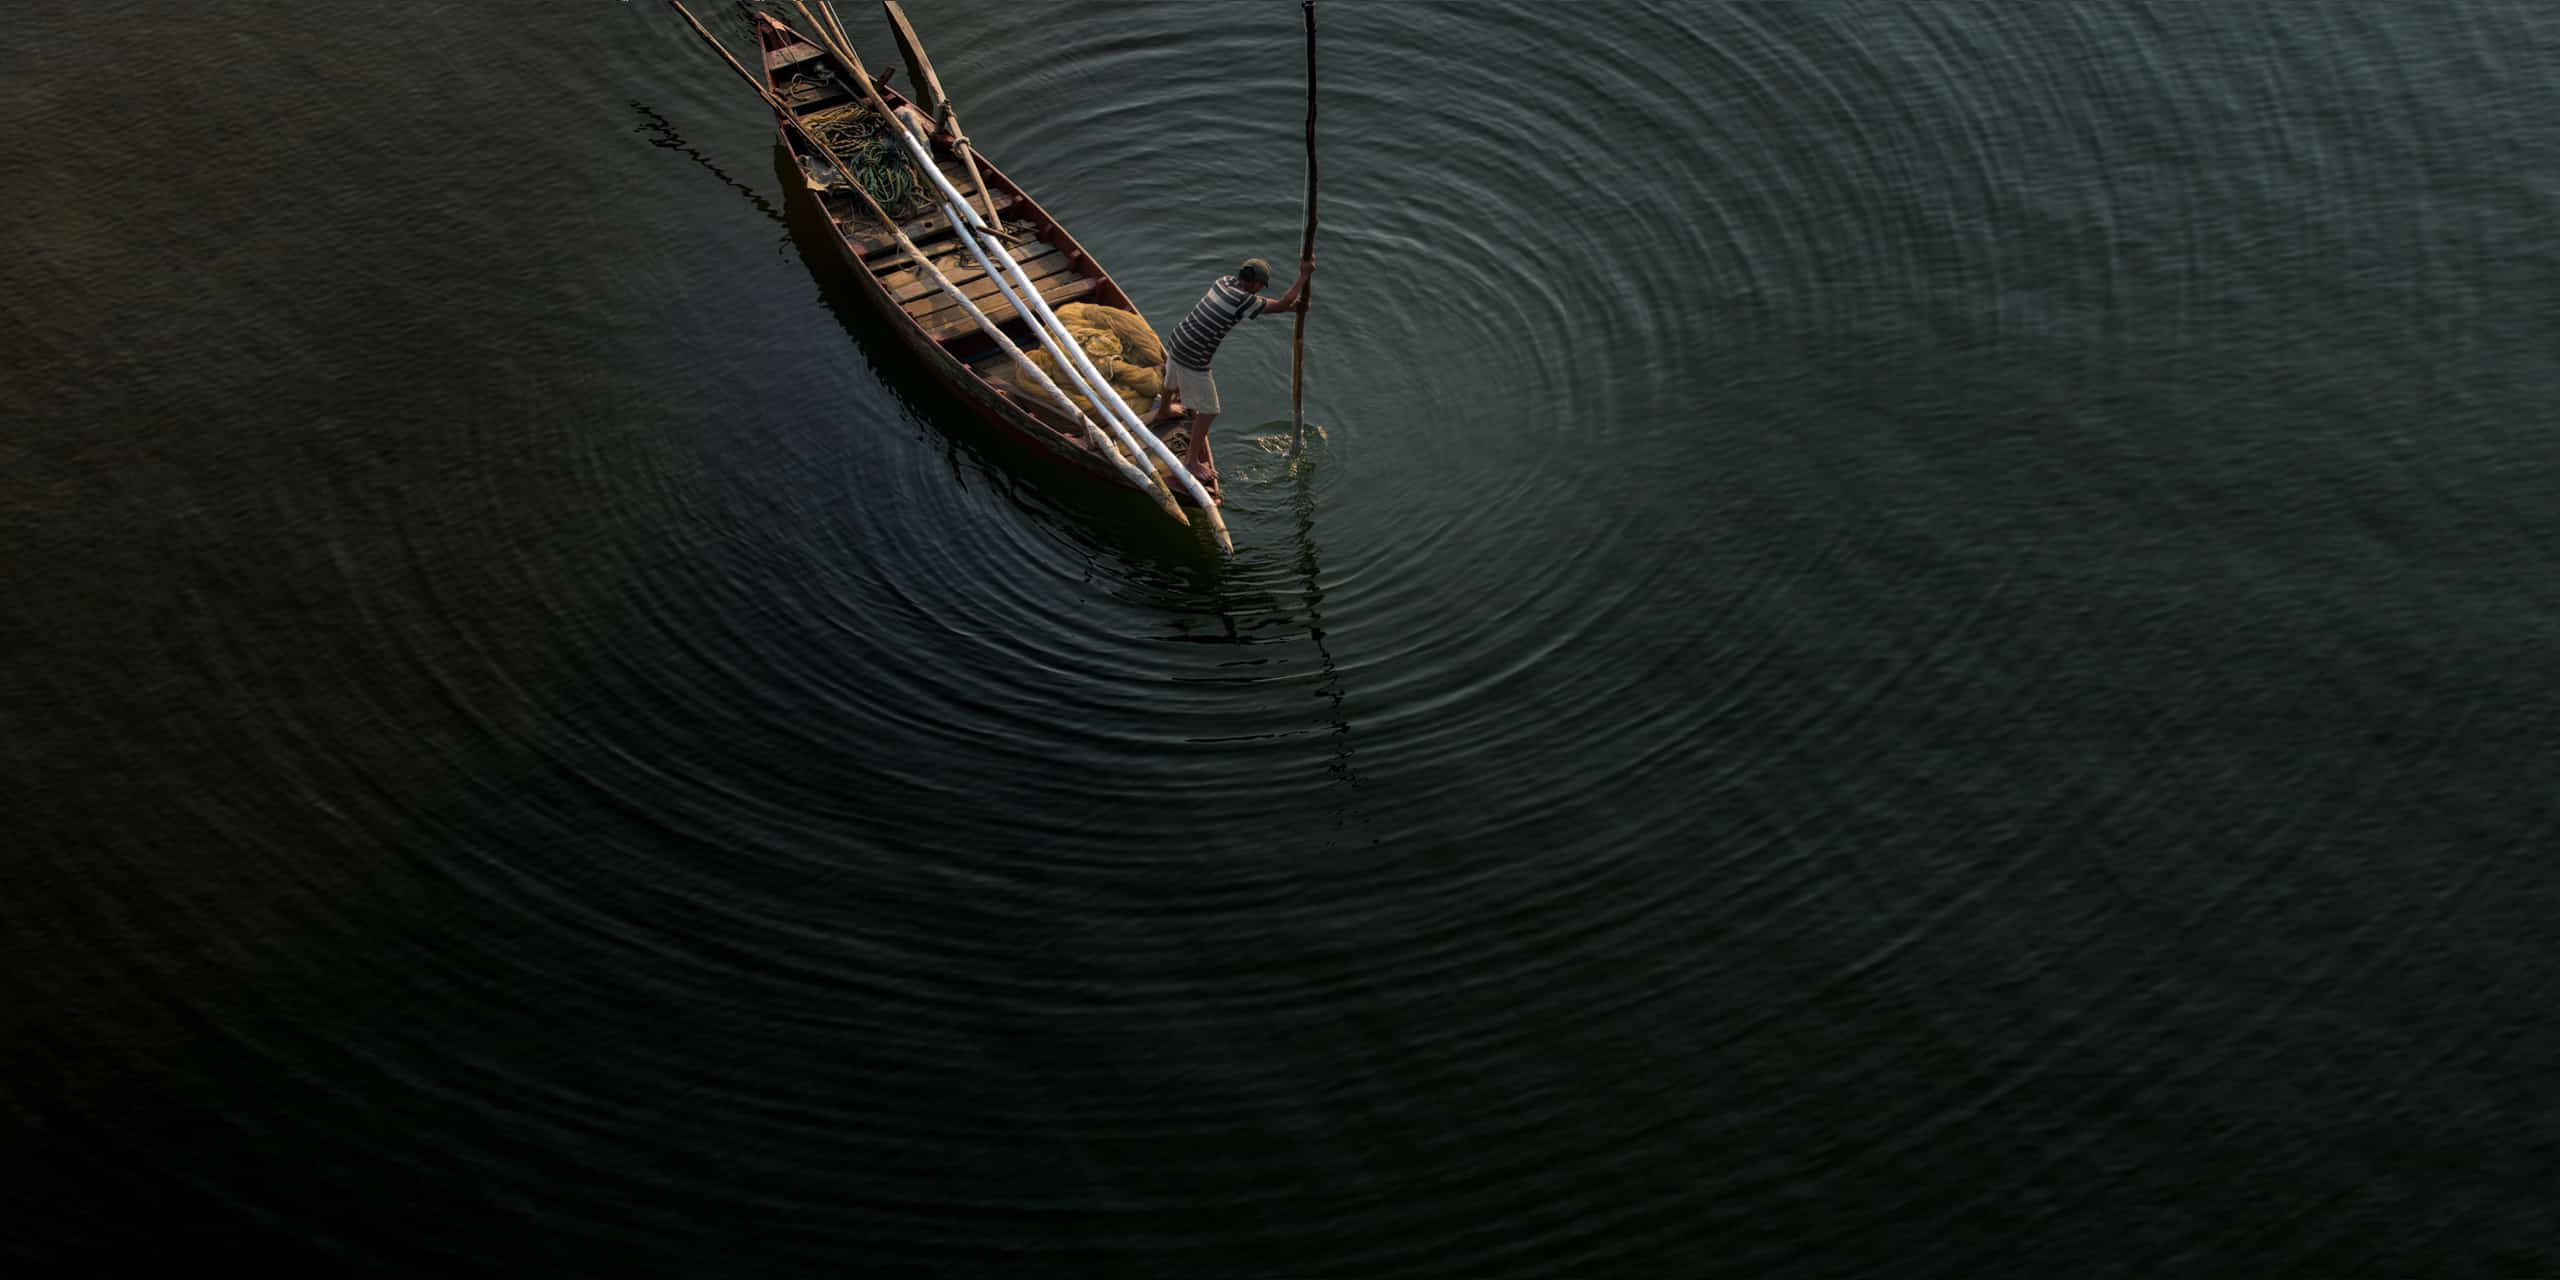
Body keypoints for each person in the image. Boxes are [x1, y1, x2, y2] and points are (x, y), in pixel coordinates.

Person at [1154, 254, 1314, 487]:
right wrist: (1303, 275)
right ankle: (1190, 462)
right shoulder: (1245, 300)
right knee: (1209, 411)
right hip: (1194, 356)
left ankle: (1165, 409)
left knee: (1172, 375)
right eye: (1260, 286)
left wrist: (1293, 309)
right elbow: (1279, 304)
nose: (1259, 290)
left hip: (1178, 339)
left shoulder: (1223, 282)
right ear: (1255, 283)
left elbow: (1272, 306)